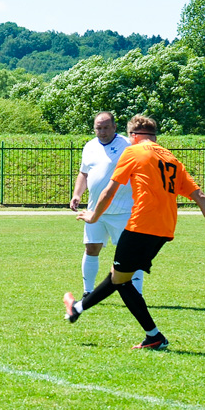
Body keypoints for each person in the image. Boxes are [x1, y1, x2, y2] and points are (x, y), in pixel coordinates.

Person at [63, 115, 205, 350]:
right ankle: (80, 310)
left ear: (133, 136)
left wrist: (93, 215)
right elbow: (201, 197)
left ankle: (152, 335)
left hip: (140, 226)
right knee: (119, 277)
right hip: (164, 229)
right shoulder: (171, 158)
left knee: (120, 280)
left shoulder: (132, 152)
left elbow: (109, 190)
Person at [69, 111, 144, 297]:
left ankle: (137, 292)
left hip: (123, 210)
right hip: (95, 210)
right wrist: (77, 194)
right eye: (98, 128)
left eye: (105, 128)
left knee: (129, 254)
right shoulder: (89, 147)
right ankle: (88, 292)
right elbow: (84, 173)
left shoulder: (127, 145)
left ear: (114, 127)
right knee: (91, 247)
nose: (101, 132)